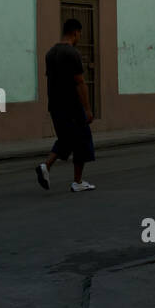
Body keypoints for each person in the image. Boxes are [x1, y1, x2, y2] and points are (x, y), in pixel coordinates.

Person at [36, 19, 96, 192]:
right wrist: (87, 109)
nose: (79, 37)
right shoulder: (72, 53)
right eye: (79, 34)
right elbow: (80, 82)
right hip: (72, 106)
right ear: (75, 32)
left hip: (55, 106)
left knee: (67, 139)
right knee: (83, 140)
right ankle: (76, 182)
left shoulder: (50, 53)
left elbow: (51, 82)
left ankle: (46, 168)